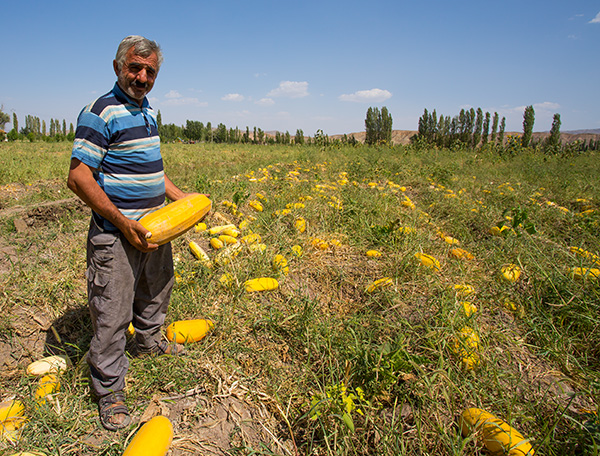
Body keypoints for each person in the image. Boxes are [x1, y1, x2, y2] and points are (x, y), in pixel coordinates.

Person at [68, 35, 191, 431]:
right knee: (112, 311)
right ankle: (109, 390)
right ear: (118, 67)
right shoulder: (100, 111)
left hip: (155, 228)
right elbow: (78, 177)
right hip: (117, 234)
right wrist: (123, 222)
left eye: (150, 71)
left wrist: (179, 197)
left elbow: (151, 168)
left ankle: (150, 341)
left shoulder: (148, 111)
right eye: (135, 68)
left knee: (157, 289)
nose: (142, 76)